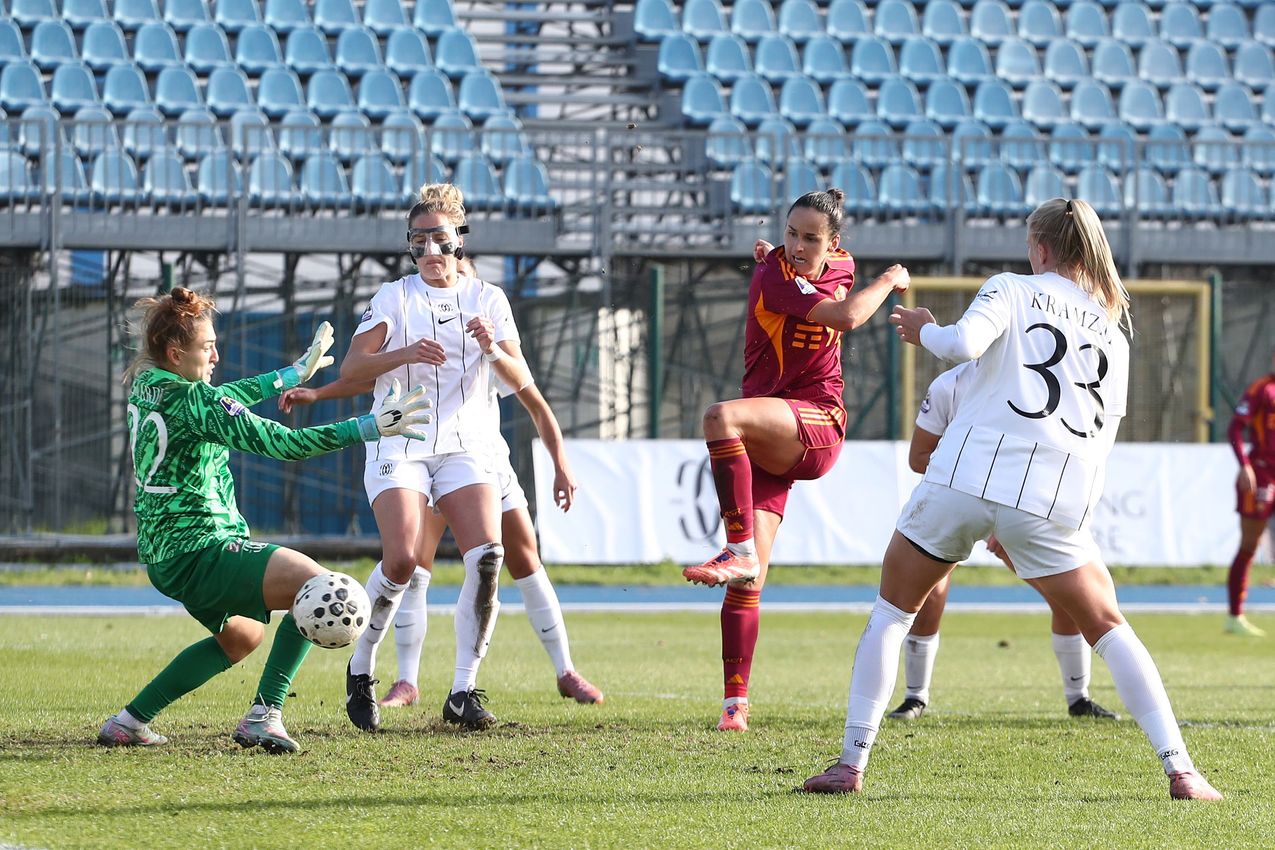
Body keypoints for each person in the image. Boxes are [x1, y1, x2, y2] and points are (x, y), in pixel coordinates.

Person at [802, 198, 1222, 801]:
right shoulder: (1114, 332)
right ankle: (1182, 770)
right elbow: (1103, 434)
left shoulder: (1012, 287)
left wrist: (925, 331)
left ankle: (850, 763)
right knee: (1109, 627)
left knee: (891, 613)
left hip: (969, 472)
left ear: (1042, 249)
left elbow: (965, 344)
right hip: (1054, 492)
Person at [98, 287, 430, 753]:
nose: (216, 354)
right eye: (206, 346)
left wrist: (289, 375)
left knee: (242, 637)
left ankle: (129, 721)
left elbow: (223, 395)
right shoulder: (198, 404)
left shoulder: (150, 384)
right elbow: (284, 444)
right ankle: (264, 714)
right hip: (203, 549)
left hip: (164, 555)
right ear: (176, 353)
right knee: (320, 588)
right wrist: (368, 426)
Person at [279, 258, 604, 708]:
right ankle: (401, 678)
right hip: (412, 451)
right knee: (409, 565)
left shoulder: (485, 314)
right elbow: (368, 376)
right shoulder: (402, 301)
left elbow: (531, 396)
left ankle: (545, 672)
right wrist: (318, 392)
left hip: (482, 457)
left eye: (449, 250)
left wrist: (561, 464)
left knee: (514, 557)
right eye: (423, 242)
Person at [681, 188, 910, 732]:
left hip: (817, 421)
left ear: (834, 244)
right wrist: (891, 279)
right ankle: (735, 704)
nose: (798, 245)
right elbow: (848, 314)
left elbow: (847, 307)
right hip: (775, 431)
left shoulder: (839, 265)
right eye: (790, 234)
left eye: (811, 238)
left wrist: (876, 280)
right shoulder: (774, 275)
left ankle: (736, 549)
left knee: (720, 418)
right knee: (748, 581)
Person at [339, 183, 537, 733]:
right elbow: (351, 371)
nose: (430, 253)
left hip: (463, 443)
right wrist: (401, 353)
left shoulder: (488, 300)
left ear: (459, 241)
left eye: (440, 241)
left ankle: (462, 690)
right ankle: (361, 668)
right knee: (402, 561)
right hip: (399, 437)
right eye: (419, 242)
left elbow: (521, 381)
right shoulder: (393, 298)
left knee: (489, 555)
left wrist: (492, 346)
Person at [886, 362, 1117, 722]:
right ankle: (915, 697)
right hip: (954, 503)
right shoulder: (950, 385)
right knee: (930, 596)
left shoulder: (1034, 381)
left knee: (1068, 597)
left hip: (1019, 507)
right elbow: (919, 457)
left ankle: (1079, 698)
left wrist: (1006, 508)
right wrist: (976, 491)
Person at [1224, 346, 1275, 637]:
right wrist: (1245, 465)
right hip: (1262, 475)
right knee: (1250, 544)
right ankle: (1235, 616)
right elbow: (1235, 428)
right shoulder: (1262, 389)